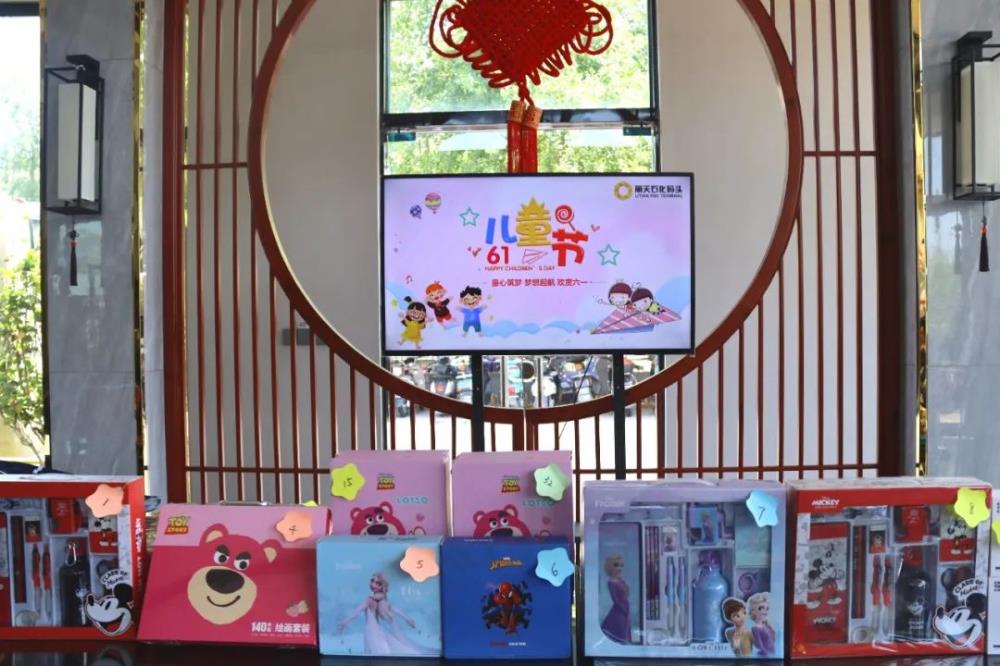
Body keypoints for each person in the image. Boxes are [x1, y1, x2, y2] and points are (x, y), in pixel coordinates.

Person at [337, 572, 435, 656]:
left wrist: (345, 621)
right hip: (376, 629)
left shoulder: (371, 600)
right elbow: (393, 609)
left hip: (371, 630)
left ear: (382, 587)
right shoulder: (378, 600)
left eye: (378, 583)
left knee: (376, 651)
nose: (373, 584)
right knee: (379, 650)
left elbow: (357, 612)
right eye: (372, 581)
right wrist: (407, 618)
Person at [600, 554, 632, 643]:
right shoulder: (611, 582)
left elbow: (627, 593)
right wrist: (624, 609)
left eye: (621, 565)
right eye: (616, 565)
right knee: (619, 631)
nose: (619, 568)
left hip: (625, 609)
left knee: (625, 629)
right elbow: (616, 600)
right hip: (619, 611)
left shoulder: (621, 580)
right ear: (610, 567)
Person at [748, 591, 776, 656]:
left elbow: (772, 640)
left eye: (767, 608)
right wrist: (768, 654)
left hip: (771, 655)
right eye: (761, 608)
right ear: (753, 611)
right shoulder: (755, 629)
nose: (765, 611)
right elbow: (759, 646)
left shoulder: (766, 625)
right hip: (764, 656)